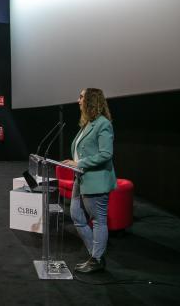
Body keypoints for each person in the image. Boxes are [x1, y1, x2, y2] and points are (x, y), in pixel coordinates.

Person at [62, 88, 116, 274]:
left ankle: (96, 259)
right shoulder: (88, 124)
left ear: (91, 100)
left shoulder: (103, 124)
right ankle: (96, 255)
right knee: (77, 216)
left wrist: (80, 163)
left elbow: (106, 154)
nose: (78, 100)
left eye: (81, 97)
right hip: (81, 177)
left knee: (99, 221)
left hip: (95, 180)